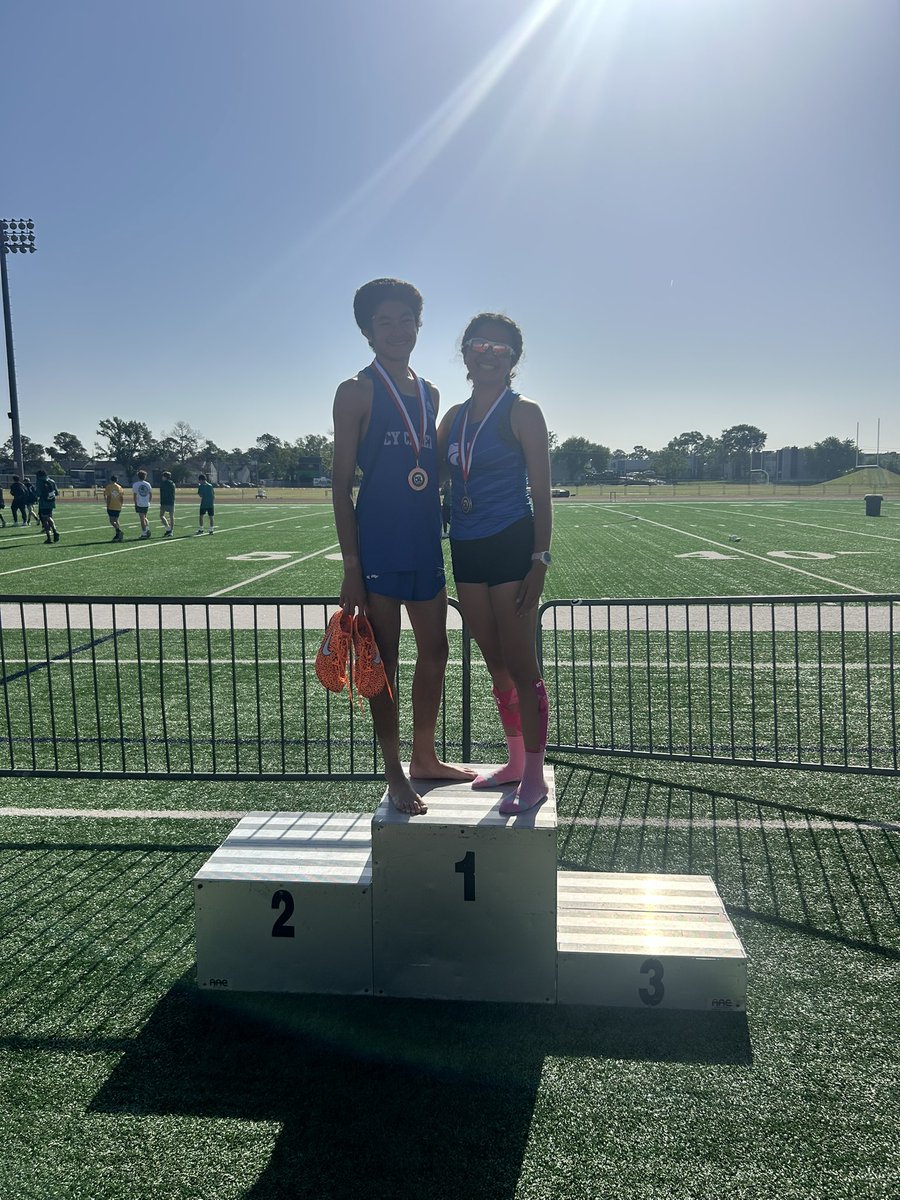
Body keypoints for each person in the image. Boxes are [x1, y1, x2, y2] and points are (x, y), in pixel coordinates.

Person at [331, 277, 475, 815]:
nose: (396, 331)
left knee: (435, 652)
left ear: (419, 324)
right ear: (368, 332)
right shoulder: (356, 390)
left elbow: (430, 467)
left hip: (423, 542)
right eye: (384, 322)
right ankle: (394, 771)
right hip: (381, 546)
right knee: (384, 664)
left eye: (405, 320)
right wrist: (351, 563)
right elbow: (341, 482)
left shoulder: (430, 391)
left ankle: (425, 756)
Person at [438, 313, 552, 815]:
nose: (487, 354)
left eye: (499, 348)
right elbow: (431, 475)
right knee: (495, 663)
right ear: (465, 352)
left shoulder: (524, 412)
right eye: (478, 345)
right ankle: (511, 761)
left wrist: (539, 560)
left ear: (513, 359)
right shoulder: (453, 418)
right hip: (465, 546)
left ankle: (534, 774)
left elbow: (543, 492)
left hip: (511, 543)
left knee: (523, 667)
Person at [35, 468, 60, 543]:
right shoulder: (52, 481)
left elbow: (38, 493)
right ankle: (55, 531)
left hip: (43, 502)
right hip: (51, 502)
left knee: (45, 519)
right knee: (49, 516)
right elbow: (57, 492)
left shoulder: (39, 481)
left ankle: (49, 537)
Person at [104, 474, 125, 541]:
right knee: (116, 520)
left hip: (111, 505)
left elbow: (109, 497)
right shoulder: (120, 487)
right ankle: (118, 535)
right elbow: (121, 497)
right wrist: (121, 504)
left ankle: (119, 531)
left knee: (112, 521)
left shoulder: (109, 487)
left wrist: (107, 504)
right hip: (118, 505)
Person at [132, 470, 152, 538]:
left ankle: (144, 533)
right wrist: (148, 501)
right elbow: (150, 494)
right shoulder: (148, 484)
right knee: (145, 517)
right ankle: (147, 529)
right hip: (146, 503)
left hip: (139, 503)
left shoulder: (135, 484)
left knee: (142, 519)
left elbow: (134, 495)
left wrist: (135, 503)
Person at [159, 470, 176, 537]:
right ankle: (171, 531)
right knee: (171, 516)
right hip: (171, 501)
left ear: (165, 477)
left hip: (164, 502)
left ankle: (168, 528)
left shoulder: (163, 484)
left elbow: (162, 493)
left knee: (161, 515)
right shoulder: (172, 483)